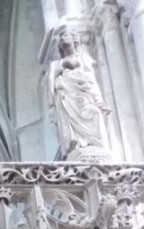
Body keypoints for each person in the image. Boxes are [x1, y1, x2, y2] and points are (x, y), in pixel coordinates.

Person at [47, 32, 111, 160]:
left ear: (75, 40)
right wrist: (62, 66)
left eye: (66, 35)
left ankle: (97, 145)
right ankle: (74, 144)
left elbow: (91, 80)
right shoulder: (55, 64)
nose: (63, 38)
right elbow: (50, 80)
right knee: (69, 122)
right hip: (66, 94)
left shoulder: (84, 59)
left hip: (83, 93)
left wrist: (99, 101)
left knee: (95, 114)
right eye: (62, 37)